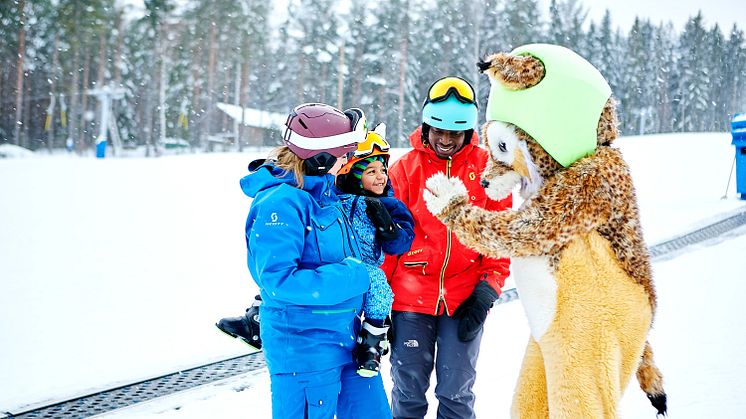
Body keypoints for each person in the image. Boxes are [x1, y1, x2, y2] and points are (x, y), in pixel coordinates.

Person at [237, 102, 391, 418]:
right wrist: (355, 276)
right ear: (320, 160)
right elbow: (279, 280)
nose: (349, 161)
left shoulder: (326, 196)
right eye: (344, 154)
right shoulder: (280, 204)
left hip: (347, 339)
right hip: (305, 351)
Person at [381, 76, 512, 419]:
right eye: (438, 130)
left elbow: (497, 236)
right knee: (408, 390)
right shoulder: (405, 170)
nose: (445, 140)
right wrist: (381, 300)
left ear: (468, 132)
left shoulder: (488, 171)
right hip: (410, 299)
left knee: (456, 391)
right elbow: (390, 242)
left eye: (454, 133)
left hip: (464, 299)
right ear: (425, 125)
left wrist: (487, 290)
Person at [334, 123, 414, 377]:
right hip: (333, 262)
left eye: (383, 170)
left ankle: (373, 341)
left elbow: (402, 243)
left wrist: (389, 227)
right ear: (352, 175)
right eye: (371, 171)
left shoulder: (389, 204)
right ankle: (259, 316)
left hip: (367, 265)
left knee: (380, 291)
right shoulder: (334, 199)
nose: (381, 176)